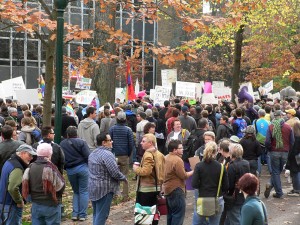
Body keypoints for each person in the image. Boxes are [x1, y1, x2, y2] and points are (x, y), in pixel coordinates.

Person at [88, 133, 127, 225]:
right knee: (102, 216)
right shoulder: (107, 154)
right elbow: (114, 172)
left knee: (96, 214)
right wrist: (123, 178)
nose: (112, 142)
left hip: (93, 187)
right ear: (104, 143)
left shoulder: (93, 153)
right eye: (110, 140)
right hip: (104, 189)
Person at [22, 143, 65, 225]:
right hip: (51, 204)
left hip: (36, 205)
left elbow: (25, 185)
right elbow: (61, 187)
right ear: (50, 154)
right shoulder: (51, 167)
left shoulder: (30, 167)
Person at [192, 141, 229, 225]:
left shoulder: (199, 166)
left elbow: (194, 184)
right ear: (216, 152)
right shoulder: (221, 167)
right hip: (216, 199)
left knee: (198, 222)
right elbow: (226, 186)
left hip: (202, 199)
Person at [133, 133, 165, 225]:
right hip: (156, 188)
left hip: (146, 190)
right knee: (153, 213)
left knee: (144, 215)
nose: (141, 143)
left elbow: (145, 171)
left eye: (143, 141)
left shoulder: (148, 154)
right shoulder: (160, 154)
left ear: (150, 143)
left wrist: (136, 169)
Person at [0, 144, 36, 224]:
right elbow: (12, 188)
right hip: (11, 205)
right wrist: (19, 201)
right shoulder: (17, 167)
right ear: (22, 153)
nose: (31, 158)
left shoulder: (9, 161)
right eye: (29, 155)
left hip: (4, 202)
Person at [60, 126, 90, 221]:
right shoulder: (81, 142)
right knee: (84, 191)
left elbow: (62, 158)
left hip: (70, 170)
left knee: (76, 192)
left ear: (67, 134)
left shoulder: (62, 144)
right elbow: (88, 156)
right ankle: (82, 214)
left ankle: (74, 213)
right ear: (76, 134)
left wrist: (65, 167)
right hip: (82, 168)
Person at [264, 110, 294, 198]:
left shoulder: (271, 127)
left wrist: (270, 149)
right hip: (285, 152)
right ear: (281, 116)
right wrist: (288, 150)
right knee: (278, 171)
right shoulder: (288, 127)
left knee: (276, 172)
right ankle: (275, 188)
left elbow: (267, 141)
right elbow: (292, 141)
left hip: (274, 152)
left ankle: (278, 191)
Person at [163, 140, 194, 225]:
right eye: (180, 148)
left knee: (170, 215)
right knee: (178, 215)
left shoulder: (166, 157)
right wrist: (193, 171)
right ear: (174, 150)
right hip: (176, 189)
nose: (183, 149)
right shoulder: (177, 160)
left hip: (167, 189)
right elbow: (183, 175)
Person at [109, 111, 135, 198]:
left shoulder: (112, 129)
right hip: (124, 155)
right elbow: (131, 143)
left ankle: (114, 193)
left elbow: (110, 141)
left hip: (114, 154)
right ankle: (125, 194)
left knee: (114, 175)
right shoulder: (128, 130)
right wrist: (128, 154)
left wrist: (111, 151)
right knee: (125, 175)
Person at [224, 144, 250, 225]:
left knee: (235, 219)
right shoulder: (246, 163)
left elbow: (230, 184)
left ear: (231, 153)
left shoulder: (232, 166)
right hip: (244, 193)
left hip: (234, 196)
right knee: (232, 218)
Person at [285, 120, 300, 196]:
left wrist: (289, 156)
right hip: (297, 157)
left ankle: (296, 190)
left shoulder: (296, 138)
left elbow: (294, 150)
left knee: (295, 172)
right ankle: (296, 188)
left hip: (295, 157)